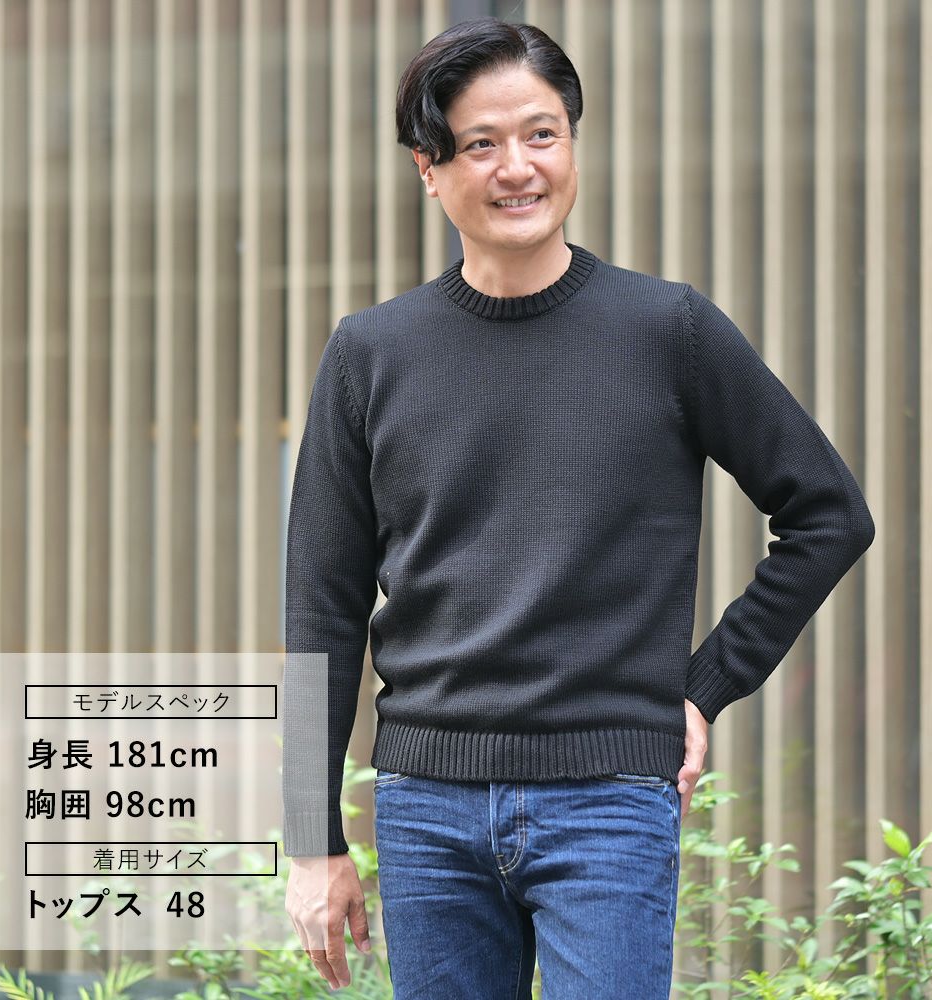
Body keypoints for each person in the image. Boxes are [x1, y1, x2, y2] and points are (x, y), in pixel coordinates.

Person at [281, 16, 874, 999]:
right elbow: (321, 605)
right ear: (430, 169)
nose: (518, 167)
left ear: (572, 144)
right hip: (427, 809)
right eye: (480, 143)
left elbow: (828, 515)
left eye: (542, 134)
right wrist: (312, 840)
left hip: (609, 800)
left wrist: (704, 685)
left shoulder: (667, 329)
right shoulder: (370, 354)